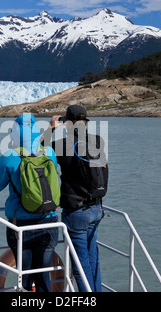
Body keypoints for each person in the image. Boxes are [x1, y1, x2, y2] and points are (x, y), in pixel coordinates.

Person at [41, 105, 108, 292]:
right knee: (92, 258)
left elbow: (38, 150)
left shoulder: (63, 145)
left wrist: (51, 129)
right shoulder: (98, 140)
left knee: (80, 264)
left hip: (76, 211)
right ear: (85, 123)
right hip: (96, 209)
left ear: (67, 123)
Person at [0, 113, 59, 292]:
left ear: (15, 133)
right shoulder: (49, 153)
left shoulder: (11, 155)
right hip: (49, 221)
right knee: (43, 275)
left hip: (21, 225)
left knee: (25, 275)